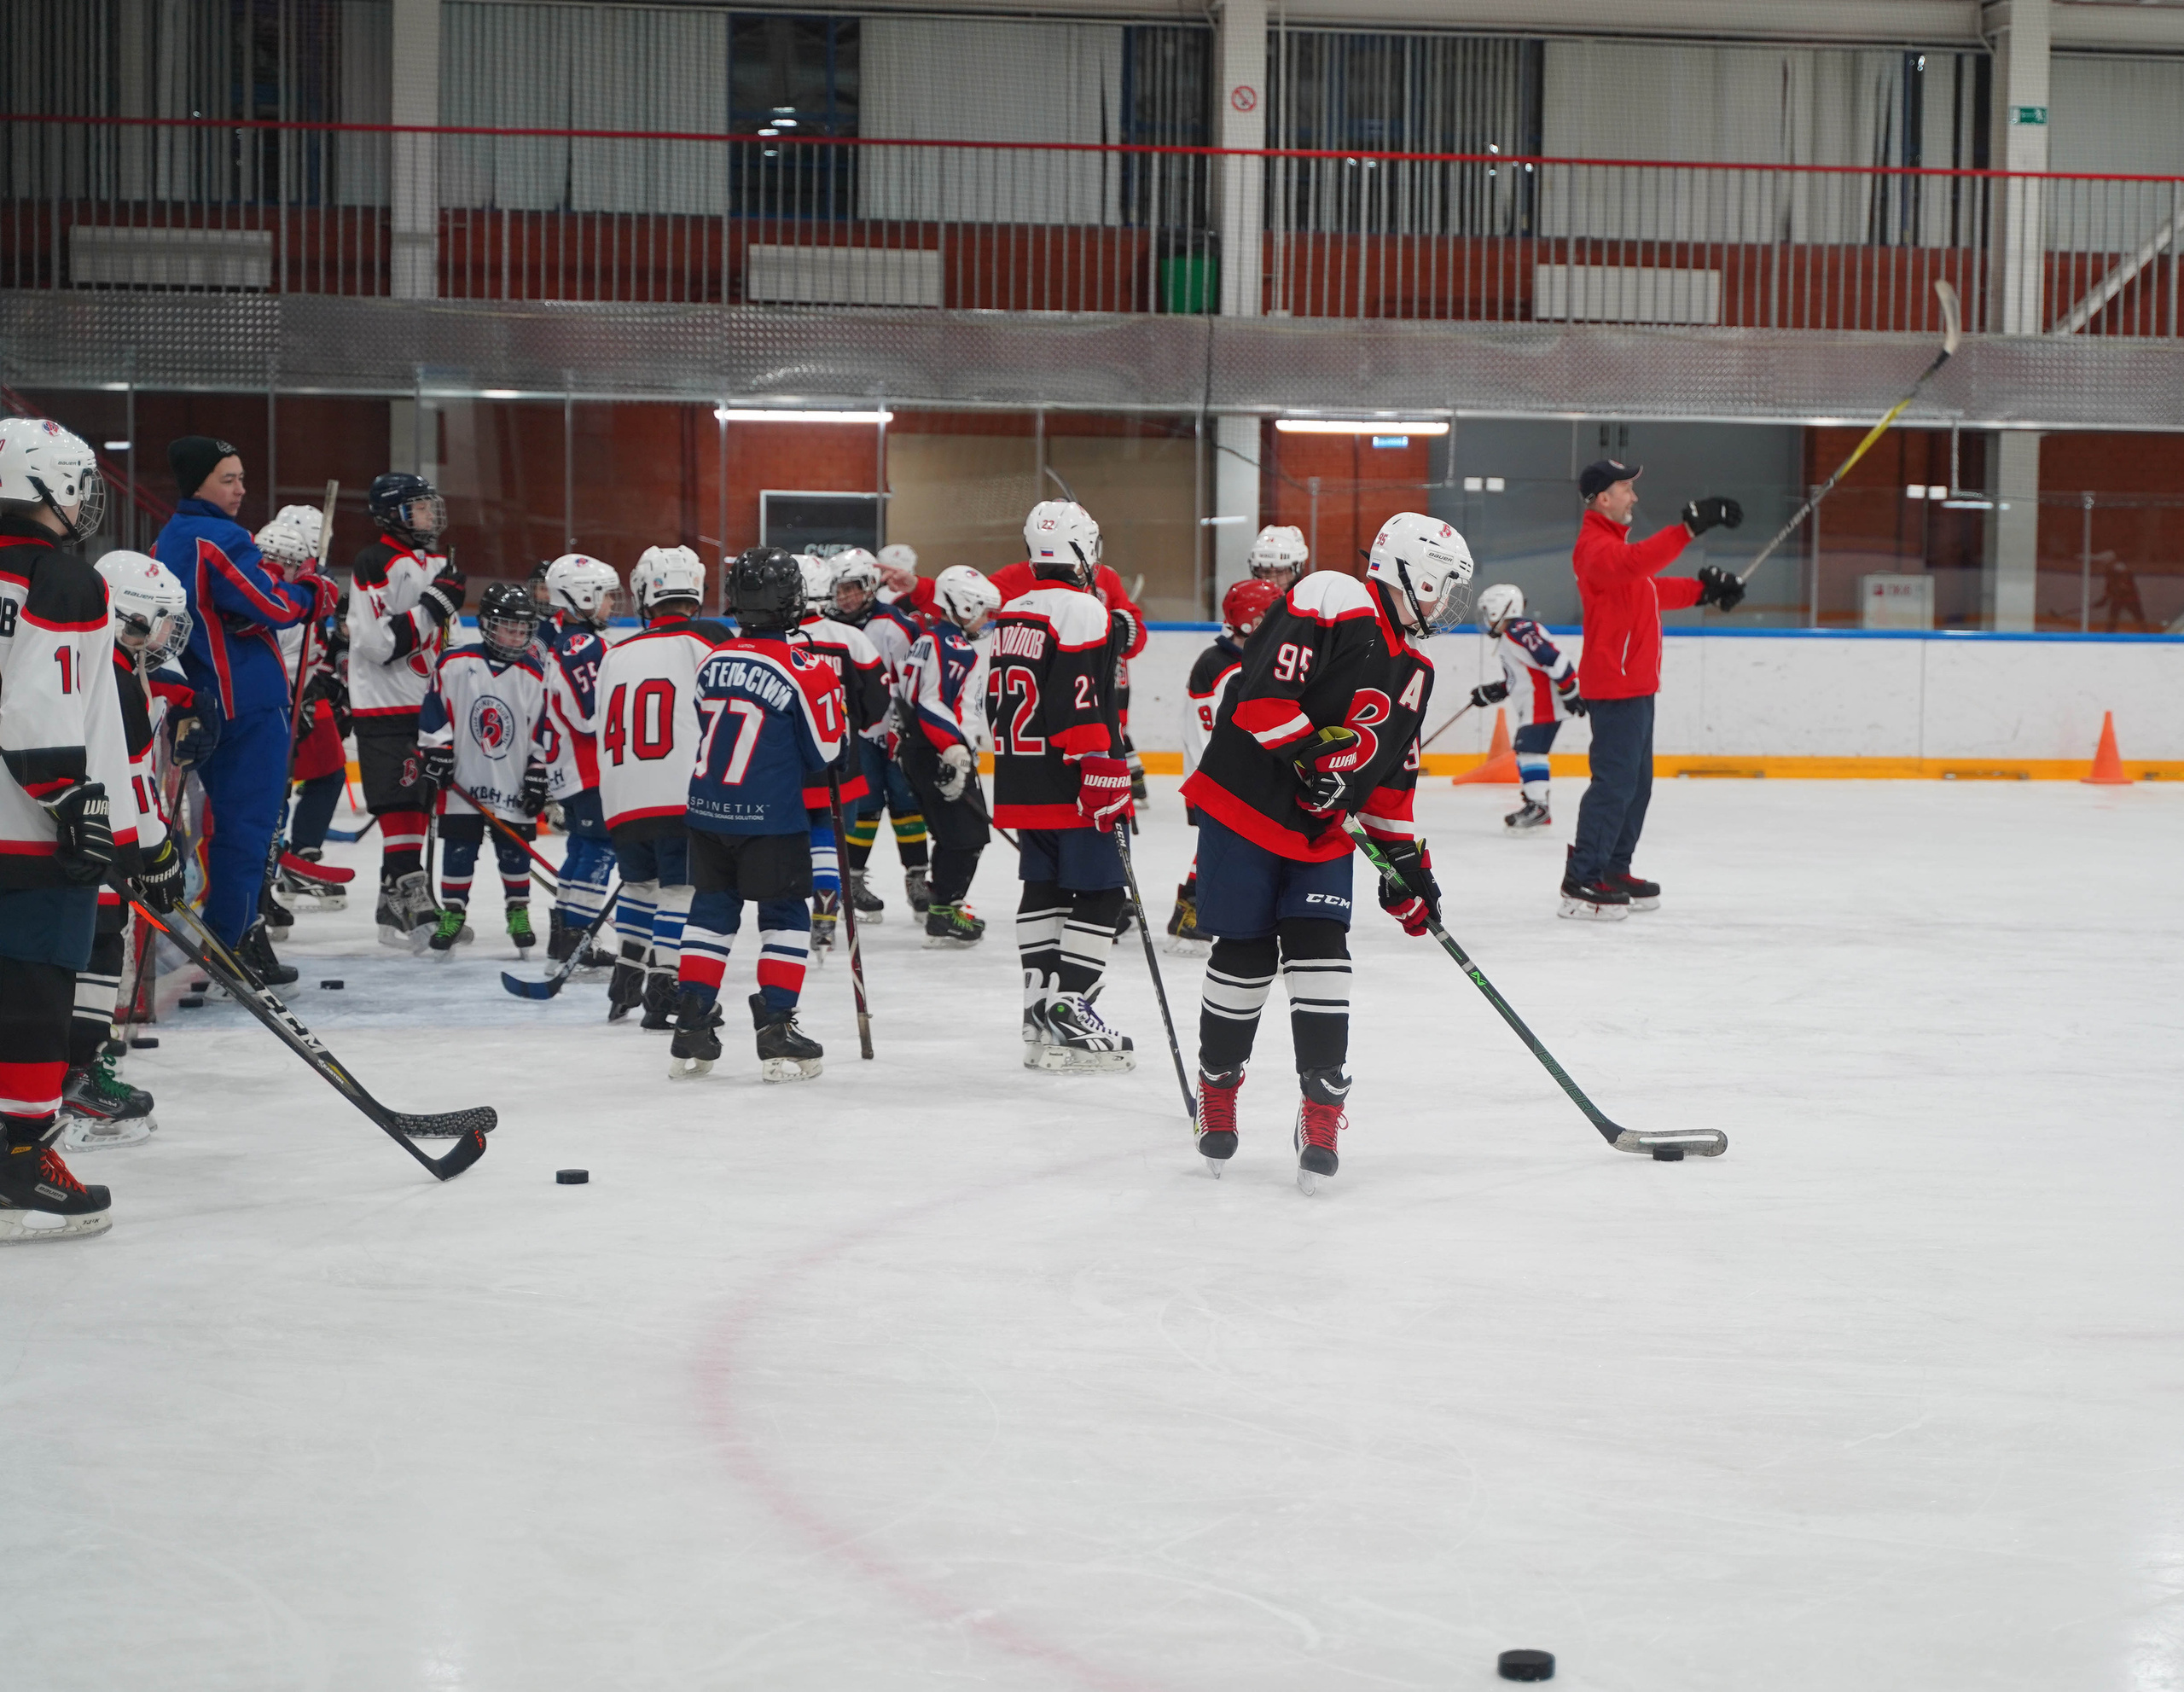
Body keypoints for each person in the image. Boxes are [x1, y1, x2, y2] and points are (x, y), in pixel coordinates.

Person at [1180, 511, 1471, 1190]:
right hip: (1245, 810)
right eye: (1438, 585)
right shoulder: (1334, 595)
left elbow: (1389, 789)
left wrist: (1410, 873)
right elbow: (1259, 700)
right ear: (1406, 571)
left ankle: (1322, 1104)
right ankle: (1217, 1089)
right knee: (1246, 951)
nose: (1443, 602)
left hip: (1319, 833)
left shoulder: (1416, 671)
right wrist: (1311, 755)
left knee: (1321, 948)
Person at [0, 416, 145, 1242]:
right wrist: (77, 803)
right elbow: (39, 713)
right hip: (29, 829)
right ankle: (21, 1157)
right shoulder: (62, 580)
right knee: (33, 993)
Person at [152, 436, 334, 984]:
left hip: (199, 701)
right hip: (245, 705)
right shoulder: (219, 536)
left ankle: (234, 935)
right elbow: (271, 605)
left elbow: (226, 611)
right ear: (198, 483)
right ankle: (230, 943)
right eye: (227, 478)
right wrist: (312, 592)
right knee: (247, 831)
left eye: (241, 477)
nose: (240, 488)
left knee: (222, 828)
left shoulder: (170, 537)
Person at [668, 547, 843, 1083]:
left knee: (711, 913)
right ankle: (775, 1029)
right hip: (770, 817)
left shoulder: (712, 660)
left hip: (706, 810)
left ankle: (692, 1024)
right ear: (793, 601)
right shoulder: (805, 668)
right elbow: (827, 755)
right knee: (786, 915)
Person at [990, 502, 1137, 1071]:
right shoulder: (1084, 609)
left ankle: (1038, 1010)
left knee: (1045, 886)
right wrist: (1099, 765)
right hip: (1074, 778)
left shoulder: (1015, 609)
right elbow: (1078, 698)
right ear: (1084, 550)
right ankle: (1073, 1007)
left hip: (1022, 775)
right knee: (1103, 892)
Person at [1563, 460, 1744, 920]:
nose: (1633, 496)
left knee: (1636, 786)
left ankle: (1613, 868)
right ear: (1603, 497)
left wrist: (1703, 590)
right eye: (1626, 488)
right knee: (1614, 785)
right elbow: (1637, 565)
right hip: (1615, 687)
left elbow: (1649, 588)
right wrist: (1687, 528)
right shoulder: (1594, 548)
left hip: (1638, 686)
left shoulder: (1616, 552)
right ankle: (1582, 878)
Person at [54, 551, 189, 1151]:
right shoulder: (115, 680)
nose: (166, 636)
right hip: (96, 839)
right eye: (160, 622)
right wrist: (158, 856)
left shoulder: (85, 657)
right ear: (129, 617)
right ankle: (79, 1077)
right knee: (100, 943)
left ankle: (65, 1071)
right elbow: (133, 783)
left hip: (60, 831)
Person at [595, 544, 729, 1026]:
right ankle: (665, 984)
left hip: (621, 796)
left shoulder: (614, 653)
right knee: (680, 889)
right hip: (678, 792)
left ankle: (627, 974)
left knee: (638, 883)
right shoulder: (705, 645)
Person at [348, 473, 465, 948]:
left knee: (419, 797)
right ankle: (411, 896)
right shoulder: (374, 561)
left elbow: (443, 638)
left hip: (426, 700)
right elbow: (377, 645)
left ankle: (391, 905)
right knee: (399, 798)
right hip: (382, 701)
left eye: (429, 506)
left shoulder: (437, 559)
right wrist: (433, 607)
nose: (429, 515)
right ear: (390, 513)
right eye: (417, 508)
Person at [417, 582, 551, 956]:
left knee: (515, 850)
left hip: (511, 780)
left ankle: (518, 911)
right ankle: (454, 914)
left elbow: (543, 729)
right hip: (466, 780)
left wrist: (538, 773)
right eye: (510, 627)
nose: (518, 636)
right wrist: (439, 750)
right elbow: (433, 710)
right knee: (459, 848)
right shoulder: (454, 663)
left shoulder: (535, 675)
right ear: (489, 625)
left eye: (524, 629)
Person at [1168, 576, 1281, 952]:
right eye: (1270, 614)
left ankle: (1189, 916)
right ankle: (1194, 914)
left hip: (1216, 777)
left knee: (1223, 849)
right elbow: (1215, 733)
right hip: (1218, 779)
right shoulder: (1225, 667)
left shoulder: (1234, 659)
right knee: (1227, 849)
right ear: (1250, 622)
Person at [253, 505, 346, 930]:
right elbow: (281, 656)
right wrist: (296, 700)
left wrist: (325, 688)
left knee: (325, 774)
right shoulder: (280, 592)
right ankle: (261, 887)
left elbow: (315, 650)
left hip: (298, 701)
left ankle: (296, 861)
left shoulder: (306, 585)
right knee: (271, 801)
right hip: (276, 707)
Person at [827, 549, 932, 921]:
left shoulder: (896, 626)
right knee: (863, 807)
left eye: (851, 589)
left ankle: (918, 879)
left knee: (907, 804)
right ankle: (853, 880)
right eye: (838, 590)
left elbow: (914, 682)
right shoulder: (827, 628)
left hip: (896, 735)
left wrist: (906, 727)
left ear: (870, 587)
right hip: (853, 738)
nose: (844, 597)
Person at [897, 565, 998, 949]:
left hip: (921, 752)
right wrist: (953, 750)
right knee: (968, 837)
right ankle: (944, 913)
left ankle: (943, 908)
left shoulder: (928, 639)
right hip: (940, 754)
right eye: (984, 611)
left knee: (951, 835)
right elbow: (931, 703)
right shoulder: (952, 645)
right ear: (965, 605)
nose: (988, 619)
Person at [787, 555, 882, 961]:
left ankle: (785, 923)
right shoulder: (851, 638)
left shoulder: (775, 641)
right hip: (841, 762)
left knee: (788, 843)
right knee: (829, 835)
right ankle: (826, 916)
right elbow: (876, 706)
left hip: (786, 766)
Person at [536, 553, 619, 966]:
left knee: (583, 846)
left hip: (571, 768)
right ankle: (578, 937)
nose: (610, 605)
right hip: (588, 767)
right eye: (605, 597)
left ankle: (564, 936)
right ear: (583, 597)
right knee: (602, 850)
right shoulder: (585, 645)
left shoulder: (568, 640)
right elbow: (590, 716)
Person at [1469, 583, 1586, 833]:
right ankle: (1536, 804)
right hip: (1535, 704)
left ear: (1497, 610)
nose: (1485, 620)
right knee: (1527, 752)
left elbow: (1552, 658)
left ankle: (1538, 807)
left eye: (1487, 612)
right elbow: (1522, 675)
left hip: (1544, 703)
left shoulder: (1519, 630)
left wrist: (1570, 689)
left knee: (1530, 750)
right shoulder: (1511, 636)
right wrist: (1495, 691)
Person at [1246, 524, 1310, 591]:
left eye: (1280, 571)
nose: (1272, 580)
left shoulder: (1309, 599)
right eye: (1266, 572)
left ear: (1298, 569)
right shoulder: (1250, 599)